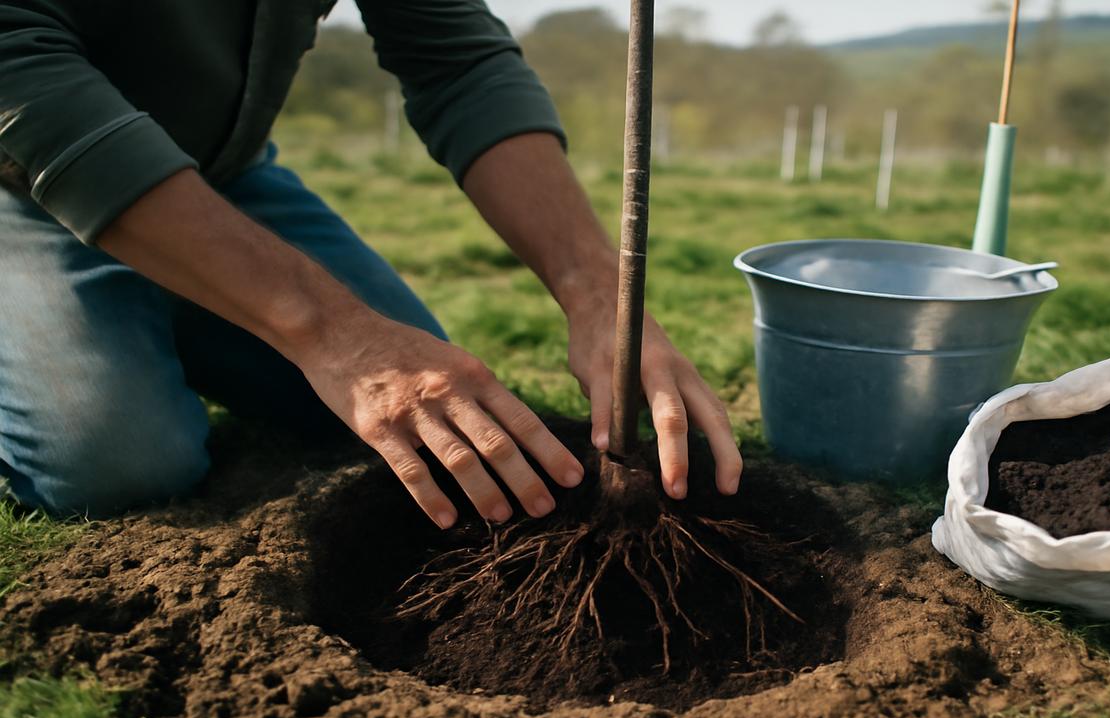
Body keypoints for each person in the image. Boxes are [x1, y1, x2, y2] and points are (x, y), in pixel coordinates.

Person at [0, 0, 742, 529]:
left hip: (224, 175)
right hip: (21, 178)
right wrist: (332, 333)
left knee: (422, 419)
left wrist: (595, 291)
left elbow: (458, 62)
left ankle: (185, 289)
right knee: (116, 464)